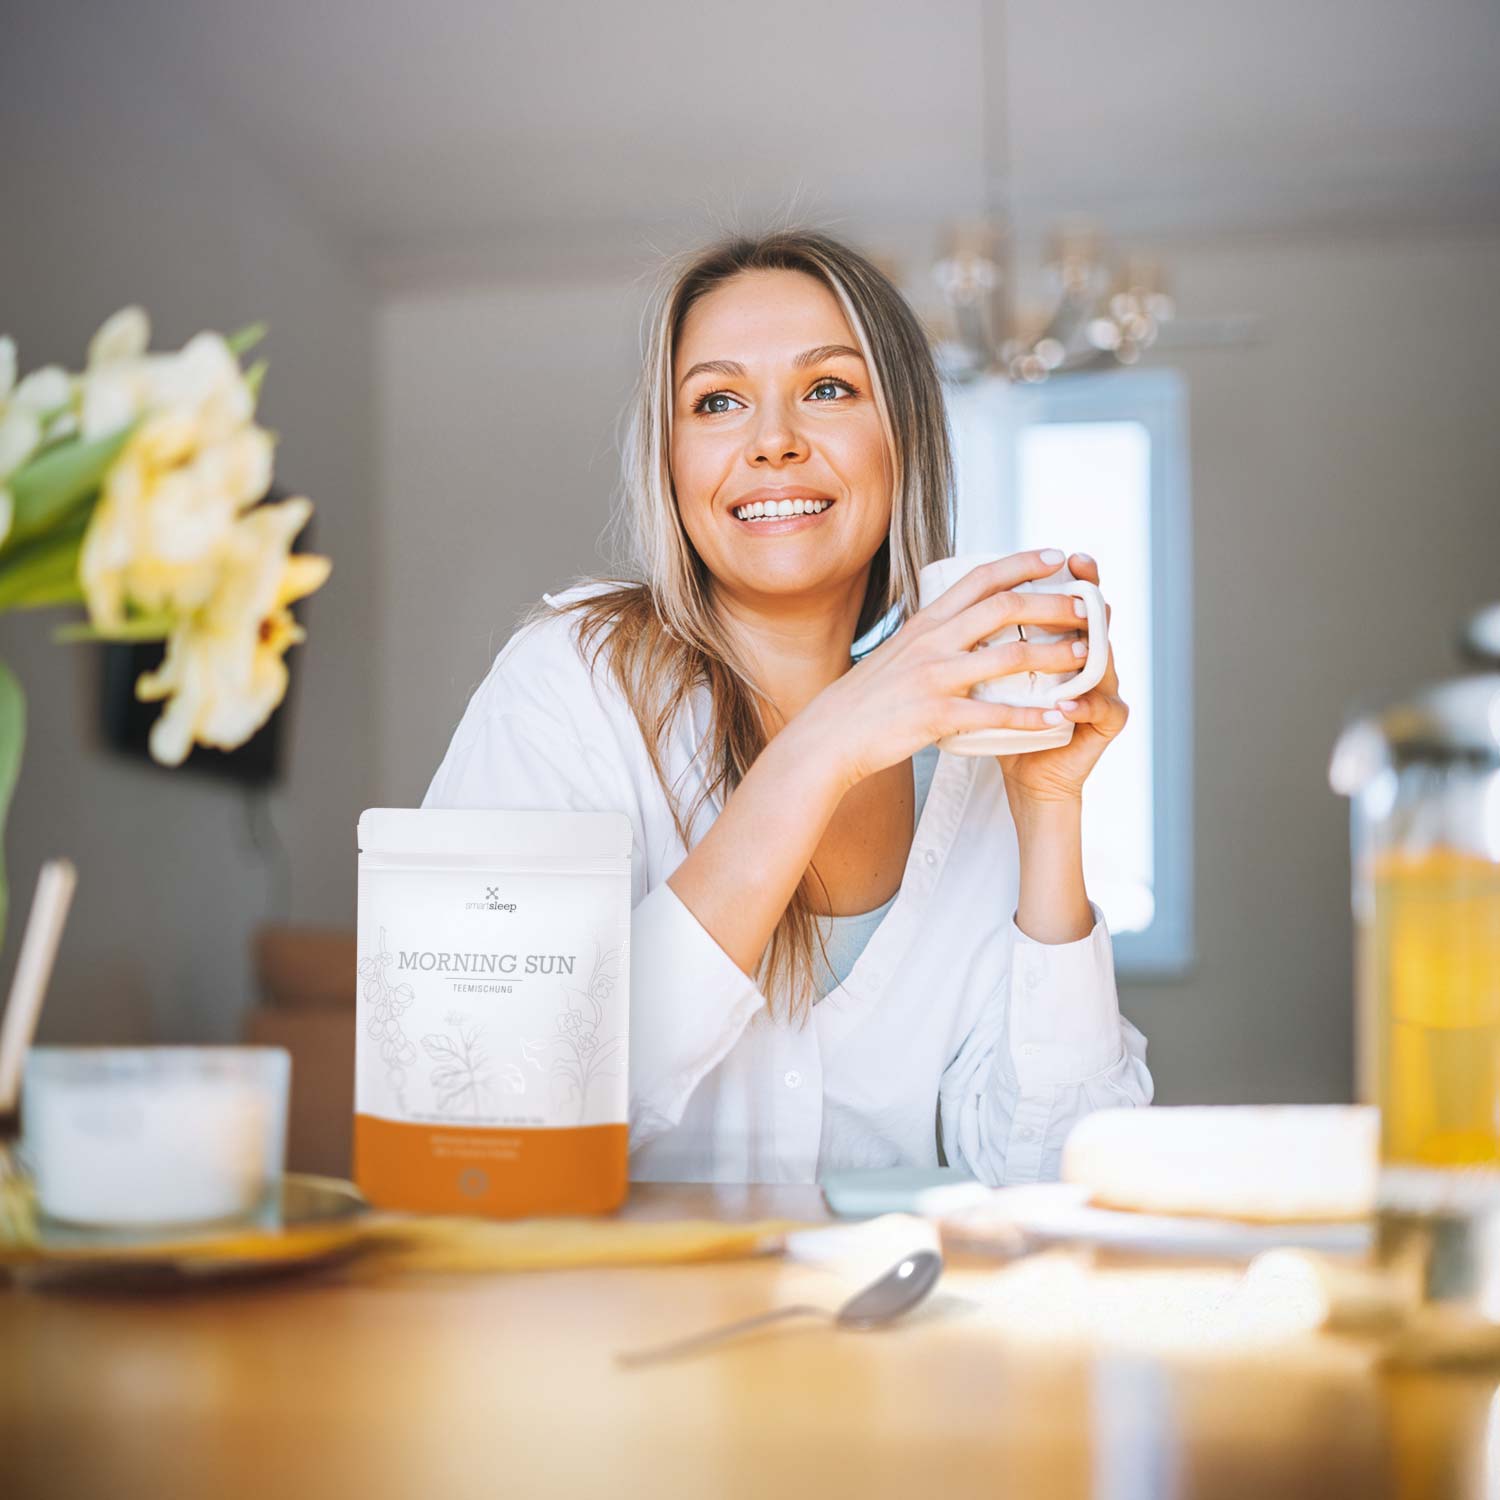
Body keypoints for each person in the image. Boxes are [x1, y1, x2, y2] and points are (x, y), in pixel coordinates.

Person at [423, 226, 1152, 1185]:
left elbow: (1056, 1165)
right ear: (672, 461)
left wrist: (1050, 811)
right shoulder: (565, 688)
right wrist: (827, 748)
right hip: (620, 1327)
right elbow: (484, 1115)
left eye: (829, 389)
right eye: (719, 401)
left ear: (904, 439)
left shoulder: (970, 745)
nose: (773, 441)